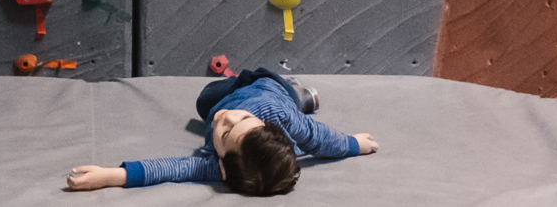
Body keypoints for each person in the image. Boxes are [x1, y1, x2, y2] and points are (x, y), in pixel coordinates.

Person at [66, 68, 377, 194]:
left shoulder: (222, 165)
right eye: (242, 120)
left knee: (206, 103)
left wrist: (111, 176)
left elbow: (173, 168)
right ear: (266, 126)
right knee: (286, 96)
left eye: (225, 135)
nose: (227, 119)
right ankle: (300, 94)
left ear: (224, 166)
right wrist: (354, 144)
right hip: (269, 87)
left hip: (232, 97)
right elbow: (323, 140)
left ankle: (303, 97)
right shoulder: (280, 117)